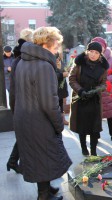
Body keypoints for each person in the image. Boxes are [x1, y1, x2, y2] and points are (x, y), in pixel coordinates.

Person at [14, 26, 72, 200]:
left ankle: (46, 189)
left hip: (24, 118)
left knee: (39, 156)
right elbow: (49, 103)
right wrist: (59, 124)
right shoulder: (44, 66)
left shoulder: (23, 61)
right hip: (40, 120)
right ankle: (44, 196)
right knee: (44, 156)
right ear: (46, 46)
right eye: (55, 47)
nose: (57, 51)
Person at [69, 42, 108, 156]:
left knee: (94, 128)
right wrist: (80, 90)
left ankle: (94, 150)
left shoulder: (103, 67)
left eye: (96, 52)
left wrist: (96, 90)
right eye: (91, 51)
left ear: (100, 54)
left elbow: (104, 83)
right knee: (82, 126)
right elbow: (72, 79)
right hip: (80, 98)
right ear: (87, 51)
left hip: (94, 100)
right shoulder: (79, 63)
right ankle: (83, 148)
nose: (93, 55)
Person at [7, 28, 34, 175]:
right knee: (25, 136)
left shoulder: (20, 57)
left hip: (20, 103)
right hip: (22, 104)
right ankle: (16, 162)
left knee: (23, 135)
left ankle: (12, 162)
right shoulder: (22, 59)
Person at [91, 37, 112, 141]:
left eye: (101, 47)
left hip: (107, 90)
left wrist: (105, 80)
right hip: (94, 91)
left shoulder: (111, 59)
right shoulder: (90, 59)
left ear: (104, 48)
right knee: (95, 115)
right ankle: (96, 136)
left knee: (110, 113)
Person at [55, 51, 69, 125]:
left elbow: (65, 69)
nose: (57, 59)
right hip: (55, 87)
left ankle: (63, 119)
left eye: (58, 57)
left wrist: (67, 71)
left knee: (61, 104)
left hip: (62, 87)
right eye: (56, 58)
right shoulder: (50, 64)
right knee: (56, 104)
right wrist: (62, 74)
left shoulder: (62, 62)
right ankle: (58, 120)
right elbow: (53, 75)